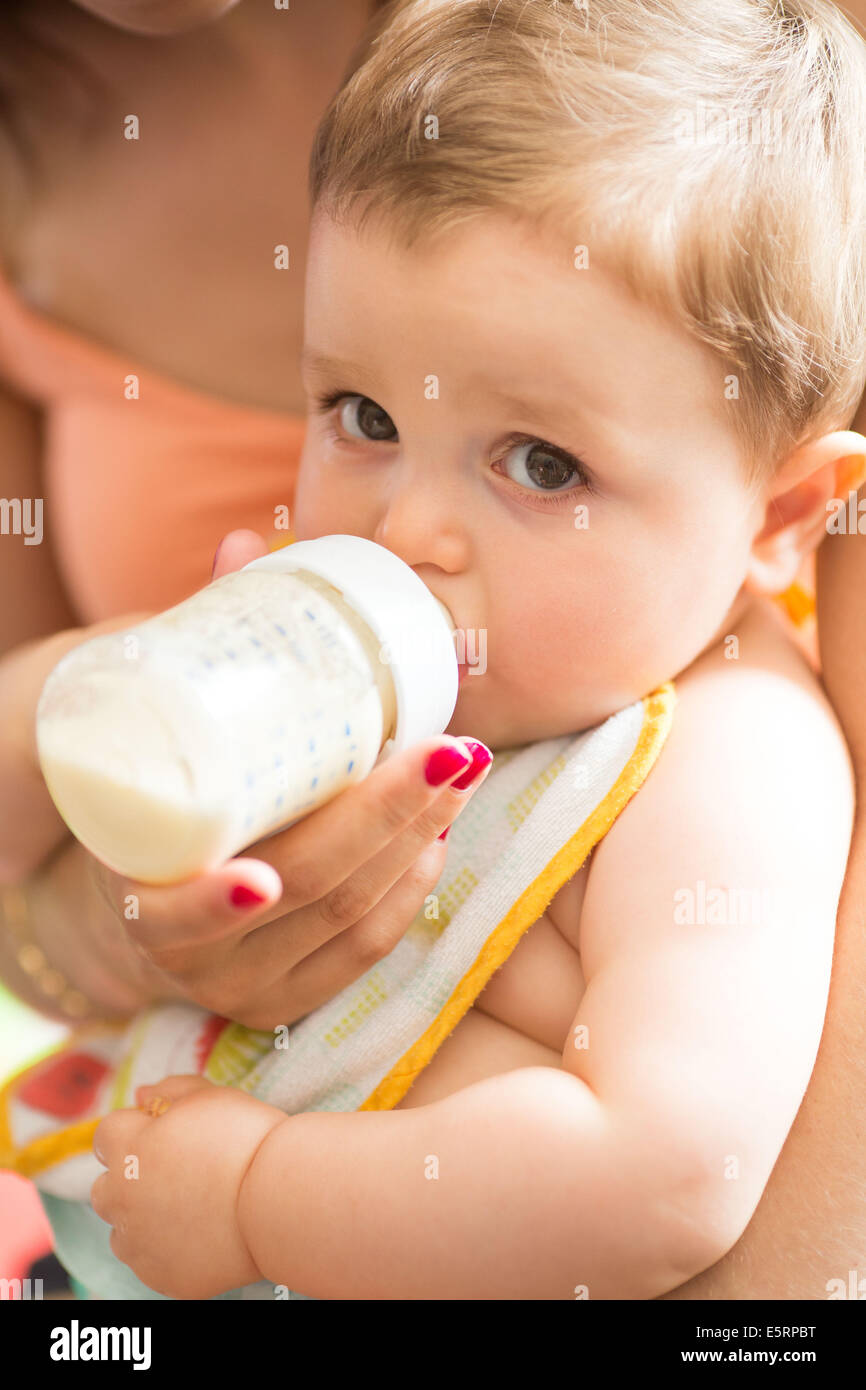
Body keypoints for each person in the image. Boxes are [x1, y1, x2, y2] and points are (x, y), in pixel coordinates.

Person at [2, 0, 866, 1300]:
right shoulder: (342, 679)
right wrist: (129, 704)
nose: (405, 527)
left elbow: (669, 1164)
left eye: (539, 462)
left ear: (781, 518)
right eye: (361, 412)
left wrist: (259, 1200)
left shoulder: (726, 756)